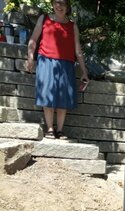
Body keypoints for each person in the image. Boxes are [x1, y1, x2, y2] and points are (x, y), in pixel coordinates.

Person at [26, 0, 89, 139]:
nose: (59, 6)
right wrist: (30, 58)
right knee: (47, 94)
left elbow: (78, 51)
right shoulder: (44, 18)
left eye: (62, 3)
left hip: (66, 64)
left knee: (63, 97)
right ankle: (49, 128)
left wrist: (84, 71)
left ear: (67, 7)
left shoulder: (73, 26)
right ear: (53, 4)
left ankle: (60, 130)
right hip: (46, 60)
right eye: (56, 2)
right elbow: (33, 39)